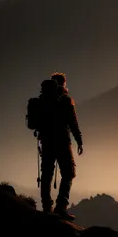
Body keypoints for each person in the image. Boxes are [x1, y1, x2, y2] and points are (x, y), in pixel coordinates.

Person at [38, 73, 83, 220]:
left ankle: (46, 207)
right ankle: (61, 207)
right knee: (69, 173)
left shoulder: (43, 100)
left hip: (46, 141)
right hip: (62, 141)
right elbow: (73, 122)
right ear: (63, 84)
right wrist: (79, 140)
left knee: (47, 174)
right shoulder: (66, 100)